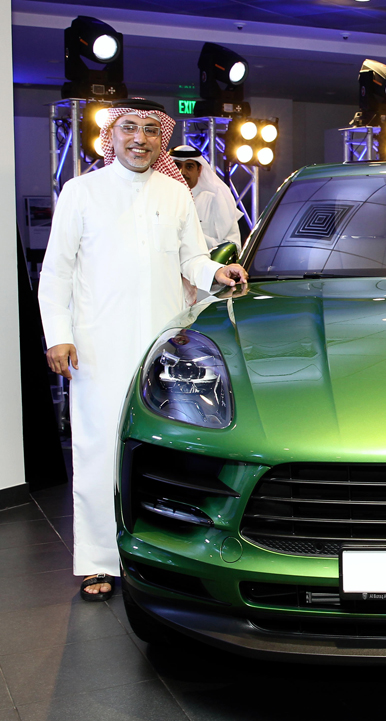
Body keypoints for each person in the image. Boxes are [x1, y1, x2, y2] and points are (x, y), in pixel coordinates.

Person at [37, 98, 248, 601]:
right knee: (97, 450)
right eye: (129, 128)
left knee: (163, 451)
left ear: (161, 138)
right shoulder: (81, 192)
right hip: (97, 346)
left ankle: (163, 552)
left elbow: (192, 258)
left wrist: (215, 273)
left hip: (163, 347)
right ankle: (98, 559)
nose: (140, 138)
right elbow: (57, 272)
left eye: (151, 130)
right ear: (113, 136)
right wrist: (57, 335)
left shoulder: (176, 194)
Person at [168, 145, 242, 253]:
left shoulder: (216, 199)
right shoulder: (161, 199)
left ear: (199, 170)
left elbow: (232, 246)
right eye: (177, 166)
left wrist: (188, 235)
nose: (182, 172)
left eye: (189, 167)